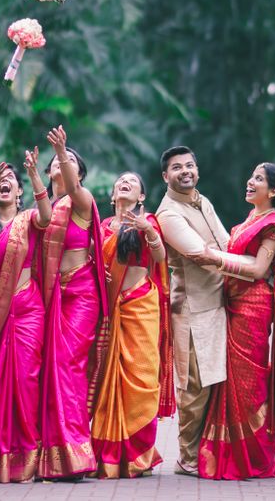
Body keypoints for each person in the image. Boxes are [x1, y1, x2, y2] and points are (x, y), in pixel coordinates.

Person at [192, 162, 275, 480]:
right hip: (231, 303)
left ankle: (253, 457)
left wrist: (216, 259)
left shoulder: (273, 223)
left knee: (248, 383)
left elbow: (256, 270)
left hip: (253, 307)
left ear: (274, 191)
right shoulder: (248, 220)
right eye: (251, 175)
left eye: (259, 179)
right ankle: (231, 454)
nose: (250, 181)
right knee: (231, 380)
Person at [0, 149, 51, 483]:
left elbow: (47, 218)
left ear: (19, 192)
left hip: (28, 309)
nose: (5, 185)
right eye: (0, 181)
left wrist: (33, 175)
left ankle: (25, 459)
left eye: (10, 182)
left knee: (26, 381)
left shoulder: (28, 219)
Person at [90, 172, 175, 478]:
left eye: (133, 181)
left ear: (141, 197)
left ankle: (139, 454)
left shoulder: (147, 221)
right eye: (120, 181)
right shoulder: (101, 228)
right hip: (110, 311)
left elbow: (160, 255)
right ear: (113, 195)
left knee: (143, 380)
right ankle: (109, 455)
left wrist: (147, 232)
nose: (124, 182)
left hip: (140, 306)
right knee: (107, 382)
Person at [36, 126, 107, 479]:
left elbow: (75, 186)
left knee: (69, 367)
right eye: (57, 162)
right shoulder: (40, 207)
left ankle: (76, 453)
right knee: (48, 370)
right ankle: (50, 454)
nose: (62, 166)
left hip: (80, 294)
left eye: (70, 163)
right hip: (48, 297)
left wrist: (63, 150)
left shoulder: (81, 201)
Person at [155, 146, 230, 477]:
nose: (184, 171)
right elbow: (201, 254)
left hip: (219, 302)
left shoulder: (204, 201)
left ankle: (206, 451)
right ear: (165, 176)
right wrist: (256, 267)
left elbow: (225, 244)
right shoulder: (169, 214)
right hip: (190, 308)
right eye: (176, 167)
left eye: (189, 165)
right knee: (193, 384)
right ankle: (187, 458)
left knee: (214, 380)